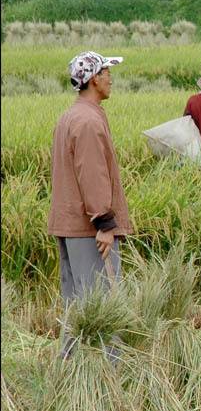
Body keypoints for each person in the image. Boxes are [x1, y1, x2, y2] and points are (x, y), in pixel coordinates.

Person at [48, 51, 132, 360]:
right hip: (90, 230)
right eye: (107, 73)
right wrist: (104, 223)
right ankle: (107, 374)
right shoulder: (87, 121)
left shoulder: (73, 115)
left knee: (77, 305)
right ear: (94, 79)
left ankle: (73, 372)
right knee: (103, 306)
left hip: (72, 225)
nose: (111, 79)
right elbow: (92, 173)